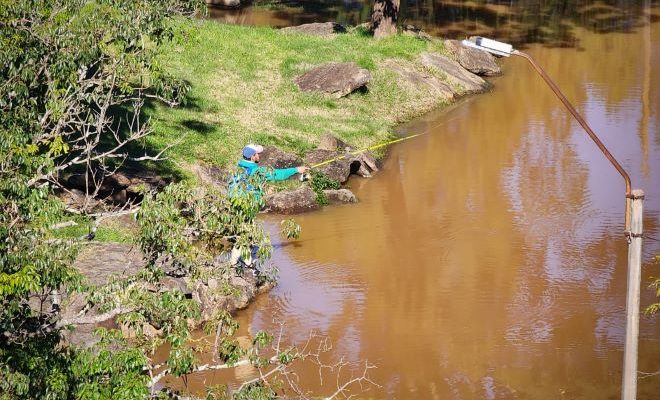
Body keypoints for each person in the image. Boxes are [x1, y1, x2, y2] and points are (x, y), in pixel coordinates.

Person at [236, 144, 308, 181]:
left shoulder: (238, 166)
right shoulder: (257, 171)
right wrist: (297, 170)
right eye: (257, 153)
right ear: (252, 157)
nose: (259, 155)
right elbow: (278, 174)